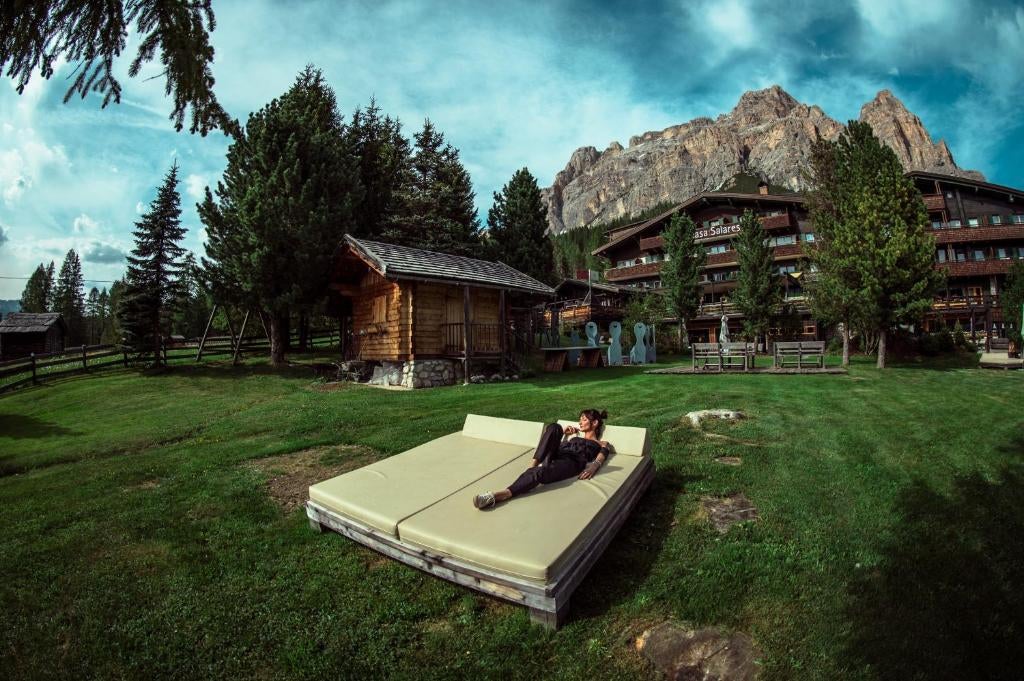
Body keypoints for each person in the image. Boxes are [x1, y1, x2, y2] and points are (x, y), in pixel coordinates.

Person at [473, 409, 610, 509]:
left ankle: (499, 495)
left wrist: (594, 466)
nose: (580, 422)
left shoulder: (601, 443)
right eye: (580, 419)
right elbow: (557, 445)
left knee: (539, 473)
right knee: (555, 427)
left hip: (572, 462)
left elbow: (603, 453)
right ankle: (532, 465)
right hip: (559, 454)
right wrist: (563, 433)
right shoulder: (574, 437)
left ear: (595, 423)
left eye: (584, 419)